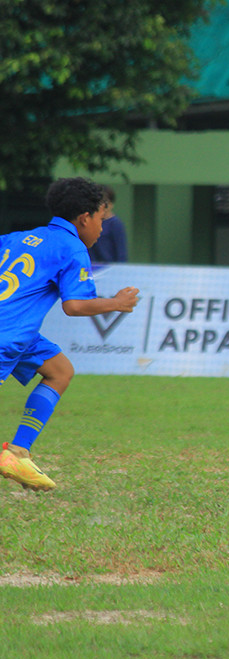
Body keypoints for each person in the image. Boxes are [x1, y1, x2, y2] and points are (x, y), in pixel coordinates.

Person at [0, 178, 140, 491]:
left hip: (20, 332)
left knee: (60, 370)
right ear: (84, 219)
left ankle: (18, 453)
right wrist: (117, 302)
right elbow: (75, 305)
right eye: (102, 221)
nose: (103, 230)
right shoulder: (73, 247)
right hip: (7, 336)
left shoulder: (20, 237)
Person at [88, 185, 128, 263]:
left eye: (106, 203)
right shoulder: (90, 222)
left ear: (111, 204)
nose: (102, 207)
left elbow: (121, 253)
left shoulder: (116, 224)